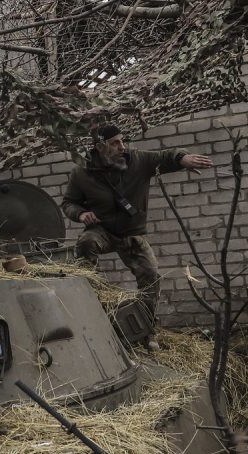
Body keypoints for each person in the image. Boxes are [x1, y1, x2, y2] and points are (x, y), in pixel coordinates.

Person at [61, 124, 212, 351]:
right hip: (102, 231)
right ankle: (91, 298)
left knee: (151, 276)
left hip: (132, 233)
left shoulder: (138, 160)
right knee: (86, 243)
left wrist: (183, 158)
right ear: (100, 147)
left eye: (122, 141)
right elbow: (68, 203)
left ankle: (147, 330)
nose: (122, 146)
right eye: (115, 143)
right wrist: (80, 214)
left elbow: (165, 156)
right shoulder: (81, 173)